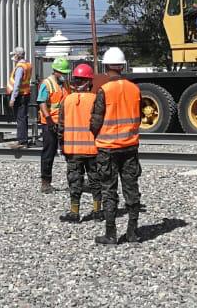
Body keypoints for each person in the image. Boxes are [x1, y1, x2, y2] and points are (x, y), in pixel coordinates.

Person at [89, 46, 142, 245]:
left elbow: (96, 120)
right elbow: (139, 116)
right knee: (131, 189)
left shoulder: (104, 90)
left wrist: (96, 134)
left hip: (108, 148)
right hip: (129, 147)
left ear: (106, 68)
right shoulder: (134, 88)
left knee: (109, 190)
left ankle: (111, 234)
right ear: (122, 66)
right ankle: (132, 232)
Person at [55, 62, 101, 223]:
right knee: (96, 180)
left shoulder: (66, 101)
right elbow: (101, 124)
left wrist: (61, 145)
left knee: (75, 180)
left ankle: (74, 213)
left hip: (73, 150)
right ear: (90, 82)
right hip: (93, 150)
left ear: (74, 81)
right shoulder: (96, 99)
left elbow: (61, 127)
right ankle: (97, 212)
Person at [36, 57, 71, 193]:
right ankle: (45, 182)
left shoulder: (65, 84)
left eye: (65, 73)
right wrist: (49, 119)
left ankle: (72, 182)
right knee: (48, 153)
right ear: (55, 71)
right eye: (62, 72)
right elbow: (42, 102)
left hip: (64, 123)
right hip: (50, 124)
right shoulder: (47, 83)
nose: (64, 75)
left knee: (69, 153)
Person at [5, 46, 32, 146]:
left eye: (15, 54)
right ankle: (23, 139)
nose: (14, 56)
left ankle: (22, 140)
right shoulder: (27, 65)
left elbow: (17, 84)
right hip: (25, 94)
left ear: (18, 55)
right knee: (23, 117)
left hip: (20, 96)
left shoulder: (20, 67)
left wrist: (13, 98)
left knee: (20, 118)